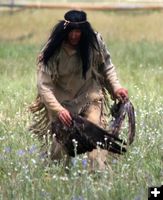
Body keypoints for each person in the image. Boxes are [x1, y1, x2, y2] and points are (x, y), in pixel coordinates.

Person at [29, 10, 128, 170]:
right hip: (63, 104)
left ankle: (97, 178)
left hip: (90, 98)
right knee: (58, 150)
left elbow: (106, 67)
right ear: (65, 30)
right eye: (72, 31)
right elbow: (44, 86)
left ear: (84, 31)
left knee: (97, 139)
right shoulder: (52, 50)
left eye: (78, 31)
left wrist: (117, 88)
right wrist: (58, 110)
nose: (75, 35)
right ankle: (58, 180)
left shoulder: (94, 43)